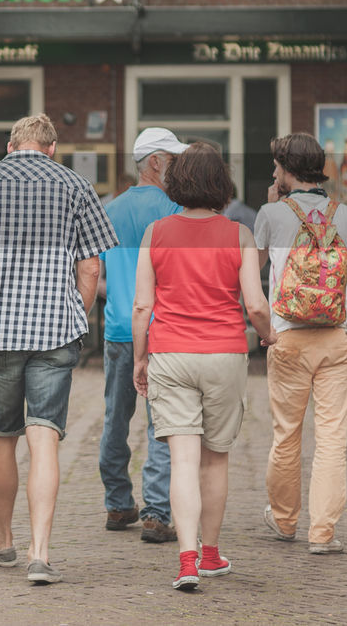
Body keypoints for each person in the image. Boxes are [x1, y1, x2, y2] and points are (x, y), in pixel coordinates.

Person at [0, 113, 117, 586]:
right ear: (52, 149)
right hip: (56, 333)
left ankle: (5, 540)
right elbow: (91, 267)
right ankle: (40, 552)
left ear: (11, 146)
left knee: (1, 436)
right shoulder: (75, 186)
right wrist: (77, 311)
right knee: (44, 435)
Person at [131, 142, 276, 591]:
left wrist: (140, 357)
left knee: (181, 461)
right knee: (215, 461)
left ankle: (187, 561)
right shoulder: (240, 235)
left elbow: (141, 307)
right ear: (221, 184)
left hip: (170, 354)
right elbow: (254, 303)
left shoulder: (155, 233)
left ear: (177, 183)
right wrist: (269, 335)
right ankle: (211, 554)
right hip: (224, 355)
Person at [255, 133, 347, 555]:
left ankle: (285, 521)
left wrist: (264, 327)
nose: (273, 173)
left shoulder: (270, 214)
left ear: (287, 170)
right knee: (332, 437)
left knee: (286, 434)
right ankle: (322, 533)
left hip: (287, 336)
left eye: (276, 167)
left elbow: (254, 274)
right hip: (337, 338)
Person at [98, 128, 187, 544]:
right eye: (173, 158)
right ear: (155, 162)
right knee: (161, 423)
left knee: (116, 418)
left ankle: (118, 503)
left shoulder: (107, 211)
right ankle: (155, 510)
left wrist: (119, 293)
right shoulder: (174, 209)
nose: (178, 166)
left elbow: (92, 275)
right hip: (163, 330)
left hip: (118, 328)